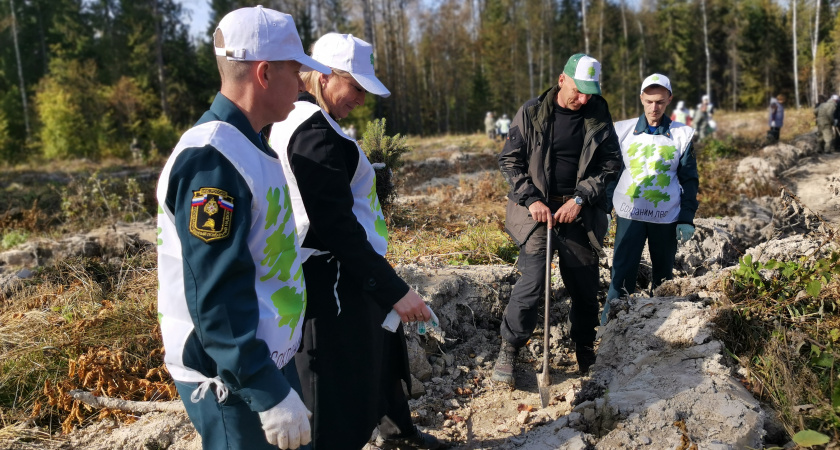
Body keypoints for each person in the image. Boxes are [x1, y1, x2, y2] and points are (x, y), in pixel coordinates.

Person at [156, 7, 331, 450]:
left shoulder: (250, 144)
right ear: (265, 73)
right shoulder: (213, 160)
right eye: (297, 71)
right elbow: (215, 294)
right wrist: (266, 391)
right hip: (233, 377)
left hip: (262, 360)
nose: (304, 84)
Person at [268, 33, 441, 450]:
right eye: (356, 86)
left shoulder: (300, 121)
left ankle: (399, 430)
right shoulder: (314, 132)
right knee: (338, 377)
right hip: (334, 273)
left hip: (343, 267)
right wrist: (394, 288)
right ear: (325, 77)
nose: (362, 98)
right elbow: (335, 227)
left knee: (381, 344)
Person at [491, 53, 622, 383]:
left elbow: (611, 166)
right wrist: (532, 199)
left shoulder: (598, 115)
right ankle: (509, 349)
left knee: (584, 285)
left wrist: (580, 199)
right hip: (537, 212)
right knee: (532, 282)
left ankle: (584, 349)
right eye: (578, 90)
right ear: (562, 79)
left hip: (578, 212)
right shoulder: (532, 112)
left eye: (590, 92)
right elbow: (510, 161)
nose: (583, 98)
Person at [602, 74, 699, 325]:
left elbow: (689, 179)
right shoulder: (622, 130)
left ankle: (658, 328)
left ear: (669, 100)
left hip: (665, 217)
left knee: (664, 278)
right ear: (641, 99)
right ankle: (609, 330)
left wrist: (686, 218)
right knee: (621, 276)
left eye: (660, 102)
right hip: (629, 215)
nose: (654, 108)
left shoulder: (682, 134)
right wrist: (604, 207)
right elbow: (610, 173)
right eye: (649, 101)